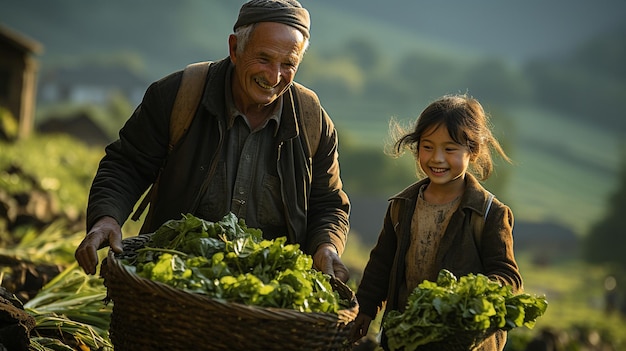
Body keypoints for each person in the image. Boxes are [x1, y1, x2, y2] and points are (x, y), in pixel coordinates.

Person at [74, 0, 350, 283]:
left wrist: (326, 245)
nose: (274, 76)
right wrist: (106, 218)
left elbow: (328, 203)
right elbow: (127, 165)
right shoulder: (179, 96)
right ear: (234, 49)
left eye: (288, 64)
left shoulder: (312, 122)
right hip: (171, 279)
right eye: (264, 58)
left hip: (266, 294)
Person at [349, 94, 523, 350]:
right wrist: (364, 308)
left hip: (460, 343)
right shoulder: (403, 205)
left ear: (472, 151)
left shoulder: (489, 213)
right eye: (428, 147)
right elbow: (381, 263)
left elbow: (509, 277)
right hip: (404, 336)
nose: (437, 158)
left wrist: (469, 295)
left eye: (450, 149)